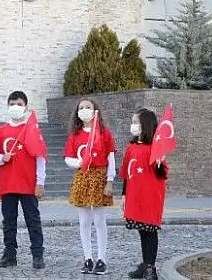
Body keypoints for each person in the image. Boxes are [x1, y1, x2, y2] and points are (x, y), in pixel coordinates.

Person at [0, 91, 46, 270]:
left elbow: (40, 157)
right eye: (13, 103)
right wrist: (1, 158)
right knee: (9, 221)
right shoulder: (2, 131)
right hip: (8, 184)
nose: (16, 106)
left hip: (28, 184)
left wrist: (40, 182)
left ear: (26, 107)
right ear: (8, 106)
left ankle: (37, 254)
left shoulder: (31, 129)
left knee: (33, 220)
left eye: (19, 104)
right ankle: (10, 254)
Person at [63, 98, 116, 275]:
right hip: (82, 176)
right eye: (81, 108)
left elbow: (110, 158)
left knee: (99, 220)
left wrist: (110, 180)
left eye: (88, 107)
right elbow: (67, 157)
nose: (84, 110)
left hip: (100, 176)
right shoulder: (75, 135)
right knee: (84, 221)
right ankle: (88, 257)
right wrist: (78, 161)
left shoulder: (104, 133)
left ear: (95, 111)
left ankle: (102, 258)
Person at [120, 108, 168, 280]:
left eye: (136, 122)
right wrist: (124, 195)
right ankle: (145, 263)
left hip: (149, 197)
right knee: (142, 231)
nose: (133, 125)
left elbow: (161, 174)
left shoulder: (154, 149)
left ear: (145, 125)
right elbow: (127, 173)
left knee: (150, 231)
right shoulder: (131, 147)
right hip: (135, 196)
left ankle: (150, 267)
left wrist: (160, 162)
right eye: (132, 122)